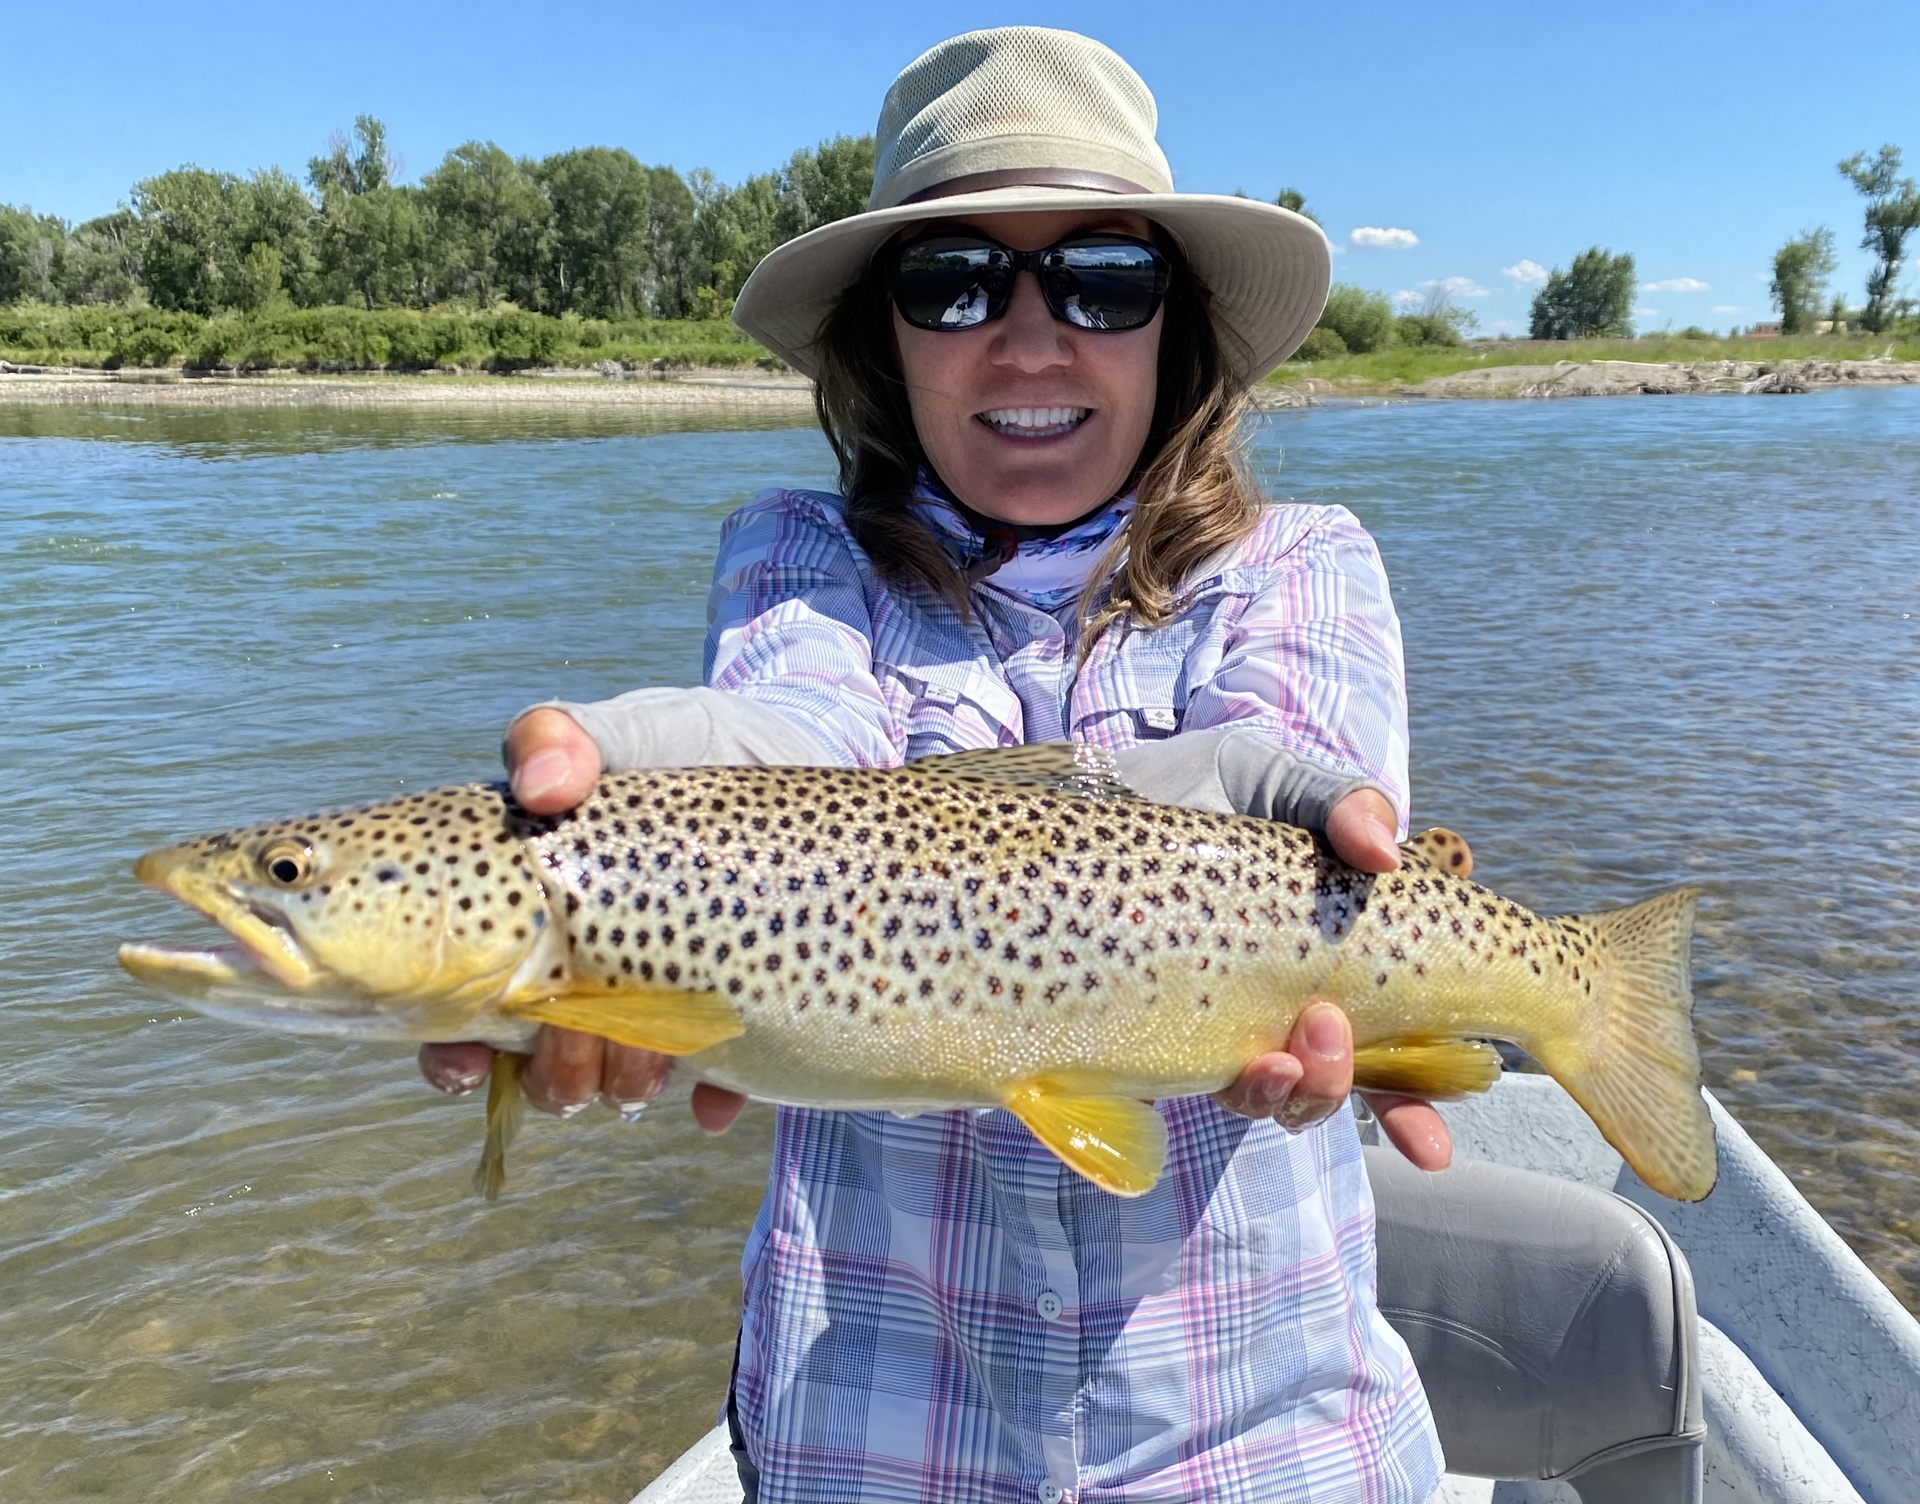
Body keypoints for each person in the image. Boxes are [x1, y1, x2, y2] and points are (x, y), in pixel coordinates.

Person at [423, 27, 1452, 1503]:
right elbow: (797, 744)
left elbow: (1307, 797)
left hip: (1265, 1445)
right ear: (880, 338)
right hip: (881, 1446)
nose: (1030, 342)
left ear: (1179, 329)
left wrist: (1257, 795)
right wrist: (636, 794)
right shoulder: (803, 556)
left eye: (1103, 280)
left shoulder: (1304, 562)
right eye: (951, 282)